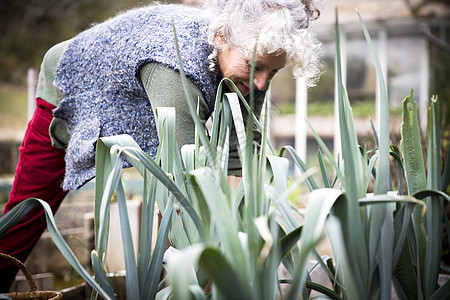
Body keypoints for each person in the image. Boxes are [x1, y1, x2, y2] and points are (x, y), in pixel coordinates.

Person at [0, 0, 322, 290]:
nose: (262, 82)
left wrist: (241, 230)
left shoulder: (251, 61)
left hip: (150, 92)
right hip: (72, 85)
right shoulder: (176, 66)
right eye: (256, 67)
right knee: (29, 210)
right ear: (222, 37)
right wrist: (206, 276)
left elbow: (241, 149)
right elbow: (182, 185)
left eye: (273, 71)